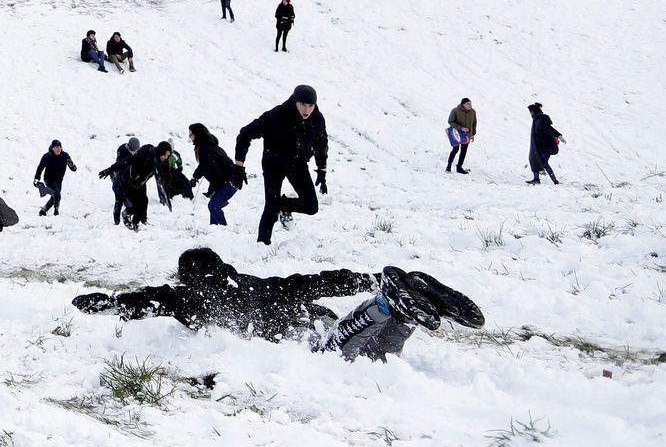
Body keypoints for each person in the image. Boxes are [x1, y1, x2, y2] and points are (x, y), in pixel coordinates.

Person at [71, 247, 483, 363]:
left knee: (340, 348)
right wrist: (363, 276)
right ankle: (412, 307)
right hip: (316, 317)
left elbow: (146, 302)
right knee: (377, 354)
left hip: (304, 342)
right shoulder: (251, 283)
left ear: (187, 277)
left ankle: (386, 303)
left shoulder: (187, 297)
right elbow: (310, 282)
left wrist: (109, 304)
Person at [235, 84, 328, 245]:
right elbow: (245, 134)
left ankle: (283, 206)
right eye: (303, 105)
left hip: (297, 164)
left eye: (310, 105)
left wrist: (322, 169)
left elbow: (321, 143)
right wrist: (238, 165)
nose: (307, 110)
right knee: (270, 210)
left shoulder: (317, 120)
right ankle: (262, 245)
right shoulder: (276, 116)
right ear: (295, 102)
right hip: (274, 165)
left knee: (311, 206)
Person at [189, 124, 238, 225]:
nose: (190, 137)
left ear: (197, 135)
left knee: (213, 205)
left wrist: (213, 190)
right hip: (226, 180)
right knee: (213, 205)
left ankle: (224, 231)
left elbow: (216, 173)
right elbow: (203, 166)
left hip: (231, 181)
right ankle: (215, 230)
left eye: (191, 134)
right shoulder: (205, 147)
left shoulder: (207, 150)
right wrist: (195, 177)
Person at [34, 141, 75, 216]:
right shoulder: (47, 156)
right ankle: (56, 212)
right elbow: (40, 167)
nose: (58, 149)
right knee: (57, 195)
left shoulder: (65, 155)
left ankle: (43, 210)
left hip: (59, 180)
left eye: (59, 147)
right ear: (52, 148)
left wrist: (72, 165)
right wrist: (37, 178)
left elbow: (73, 168)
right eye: (56, 147)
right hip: (49, 179)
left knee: (54, 198)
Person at [526, 102, 561, 184]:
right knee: (537, 161)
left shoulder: (540, 120)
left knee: (538, 161)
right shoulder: (537, 119)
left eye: (530, 111)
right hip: (542, 146)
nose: (530, 113)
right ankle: (540, 179)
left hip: (545, 147)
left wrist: (558, 135)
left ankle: (550, 180)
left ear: (534, 111)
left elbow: (549, 129)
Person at [446, 99, 476, 174]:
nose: (470, 105)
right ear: (463, 104)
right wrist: (461, 128)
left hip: (467, 135)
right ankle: (448, 166)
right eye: (468, 104)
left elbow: (474, 124)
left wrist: (472, 134)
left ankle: (459, 167)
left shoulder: (473, 112)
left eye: (470, 104)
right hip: (456, 134)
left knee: (463, 151)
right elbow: (450, 121)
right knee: (455, 149)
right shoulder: (455, 111)